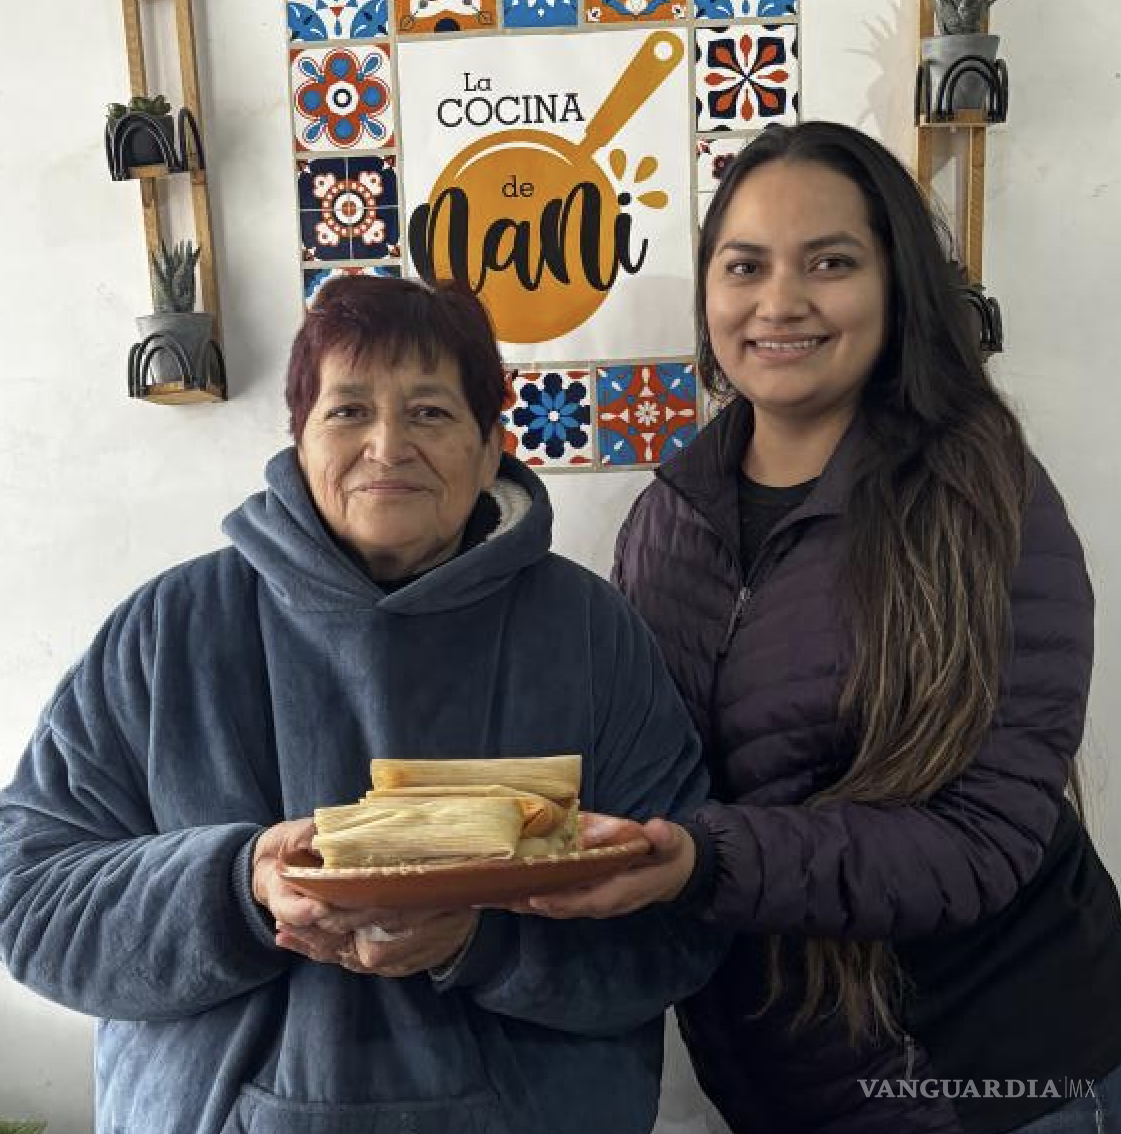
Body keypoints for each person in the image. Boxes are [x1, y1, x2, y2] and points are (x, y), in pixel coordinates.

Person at [0, 276, 725, 1134]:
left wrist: (478, 941)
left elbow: (683, 921)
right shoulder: (167, 632)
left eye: (429, 413)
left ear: (492, 445)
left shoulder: (591, 633)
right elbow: (30, 898)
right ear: (298, 441)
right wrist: (243, 886)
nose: (387, 447)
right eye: (348, 411)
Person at [524, 122, 1121, 1134]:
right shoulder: (668, 516)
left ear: (894, 287)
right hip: (784, 1087)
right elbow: (644, 768)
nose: (778, 302)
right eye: (743, 266)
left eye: (828, 263)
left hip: (1002, 1079)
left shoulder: (984, 499)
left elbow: (979, 841)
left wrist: (701, 861)